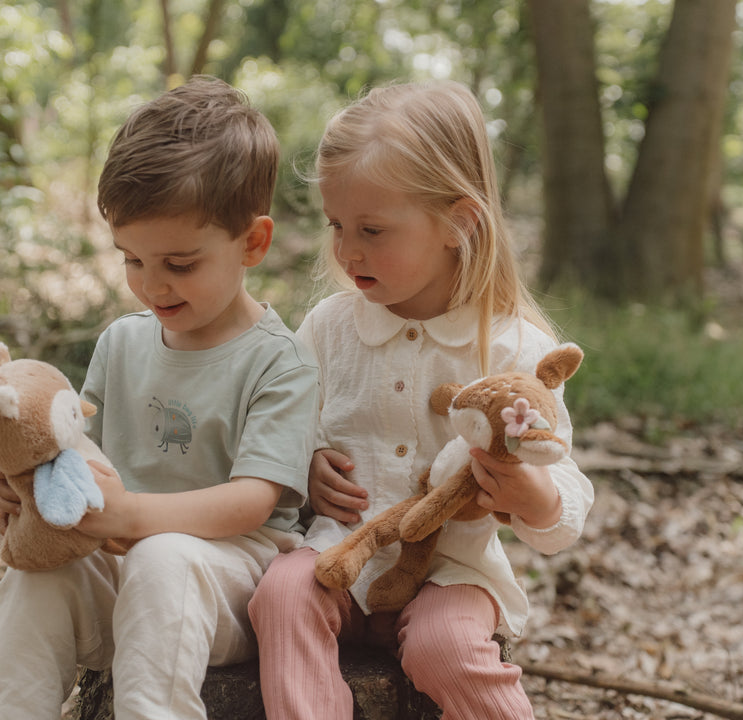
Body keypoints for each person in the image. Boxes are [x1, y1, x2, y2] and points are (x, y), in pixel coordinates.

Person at [247, 80, 595, 719]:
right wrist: (306, 463)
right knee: (281, 595)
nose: (349, 250)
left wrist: (534, 499)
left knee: (445, 647)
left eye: (373, 229)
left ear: (457, 224)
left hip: (452, 573)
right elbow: (274, 425)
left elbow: (566, 485)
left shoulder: (513, 348)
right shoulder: (327, 329)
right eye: (338, 226)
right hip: (339, 552)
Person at [0, 76, 319, 720]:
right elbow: (78, 457)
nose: (150, 284)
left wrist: (134, 517)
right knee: (36, 579)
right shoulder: (122, 343)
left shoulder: (281, 359)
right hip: (122, 570)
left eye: (180, 264)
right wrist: (30, 488)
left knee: (163, 558)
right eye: (131, 260)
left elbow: (254, 500)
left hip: (232, 585)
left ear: (253, 242)